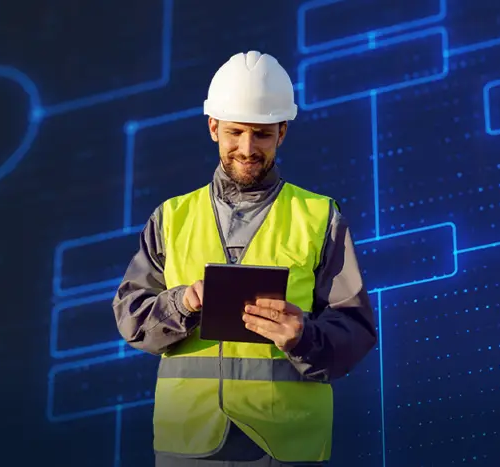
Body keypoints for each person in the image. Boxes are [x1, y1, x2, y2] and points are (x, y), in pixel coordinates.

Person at [112, 50, 379, 466]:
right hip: (189, 440)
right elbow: (131, 317)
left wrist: (303, 336)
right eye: (235, 132)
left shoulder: (319, 217)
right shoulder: (171, 217)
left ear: (283, 132)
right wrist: (181, 304)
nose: (247, 148)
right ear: (213, 127)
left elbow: (356, 329)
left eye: (262, 134)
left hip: (284, 443)